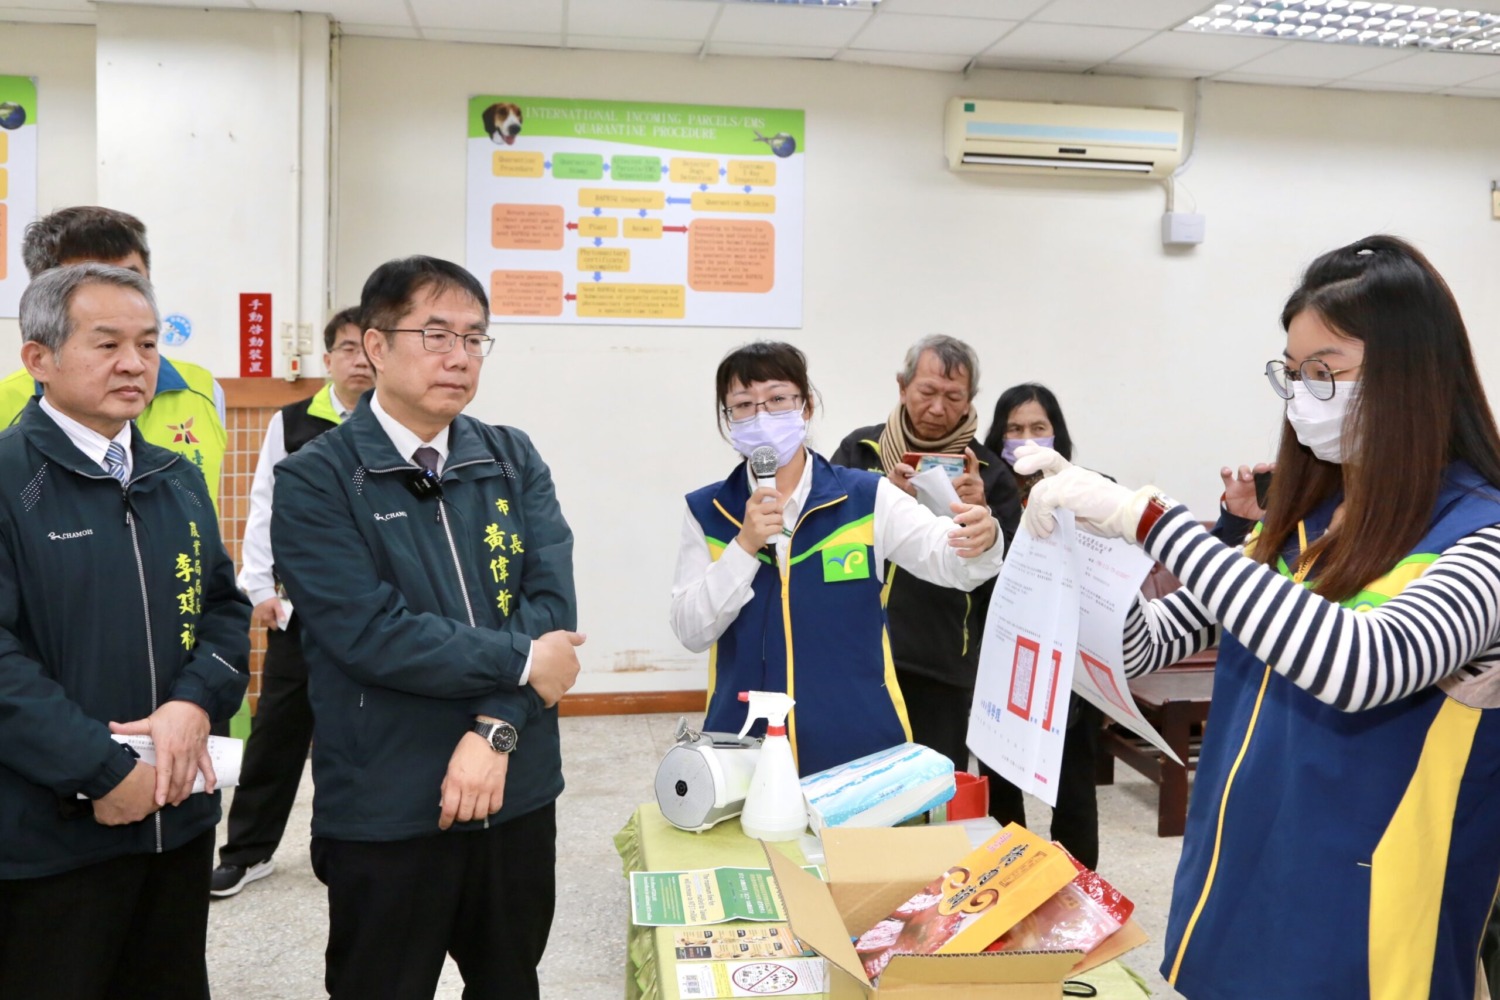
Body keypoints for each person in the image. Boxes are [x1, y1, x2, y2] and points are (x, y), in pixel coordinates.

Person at [1020, 235, 1500, 999]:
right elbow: (1145, 645)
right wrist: (1075, 553)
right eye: (1294, 371)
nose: (1304, 393)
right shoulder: (1305, 527)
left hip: (1369, 918)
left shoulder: (1480, 538)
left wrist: (1150, 520)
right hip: (1245, 878)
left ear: (1414, 373)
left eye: (1326, 370)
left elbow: (1365, 663)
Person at [270, 256, 584, 1000]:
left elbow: (551, 607)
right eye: (436, 335)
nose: (459, 357)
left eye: (475, 339)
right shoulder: (316, 477)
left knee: (510, 982)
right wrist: (521, 664)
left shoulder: (510, 456)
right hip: (389, 803)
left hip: (515, 791)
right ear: (375, 346)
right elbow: (371, 633)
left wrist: (494, 732)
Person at [0, 264, 250, 999]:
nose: (135, 364)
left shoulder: (176, 476)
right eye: (107, 344)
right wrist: (102, 772)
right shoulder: (9, 480)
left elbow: (223, 608)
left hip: (179, 820)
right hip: (53, 834)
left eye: (147, 343)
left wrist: (195, 701)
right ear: (39, 358)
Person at [671, 340, 1006, 777]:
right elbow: (691, 630)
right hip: (744, 749)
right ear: (728, 419)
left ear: (806, 407)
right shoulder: (707, 511)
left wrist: (984, 538)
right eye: (744, 405)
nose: (762, 416)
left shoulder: (865, 497)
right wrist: (744, 545)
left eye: (777, 399)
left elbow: (952, 563)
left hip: (859, 747)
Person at [209, 307, 372, 898]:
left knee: (356, 737)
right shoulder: (293, 421)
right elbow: (265, 504)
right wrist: (258, 587)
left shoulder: (394, 420)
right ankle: (247, 852)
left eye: (368, 348)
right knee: (277, 731)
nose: (359, 360)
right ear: (327, 359)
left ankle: (344, 849)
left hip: (371, 613)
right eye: (346, 348)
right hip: (299, 610)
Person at [829, 335, 1021, 777]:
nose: (937, 409)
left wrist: (984, 519)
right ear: (902, 387)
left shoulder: (989, 473)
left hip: (943, 660)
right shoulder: (860, 451)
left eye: (953, 397)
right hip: (860, 653)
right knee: (857, 785)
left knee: (935, 790)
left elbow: (1010, 575)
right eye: (927, 392)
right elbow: (825, 534)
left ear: (970, 400)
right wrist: (883, 501)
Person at [0, 206, 228, 509]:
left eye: (129, 278)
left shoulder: (201, 390)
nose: (116, 294)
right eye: (92, 279)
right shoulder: (6, 403)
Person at [981, 381, 1103, 869]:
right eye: (1014, 429)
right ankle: (1006, 883)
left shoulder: (1088, 488)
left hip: (1069, 662)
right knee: (999, 783)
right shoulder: (985, 493)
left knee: (1073, 788)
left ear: (1057, 434)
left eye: (1038, 427)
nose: (1026, 438)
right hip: (1002, 659)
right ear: (997, 437)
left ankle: (1078, 889)